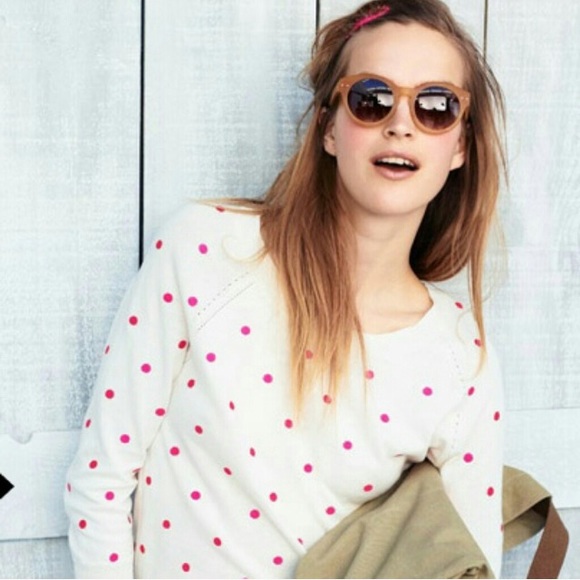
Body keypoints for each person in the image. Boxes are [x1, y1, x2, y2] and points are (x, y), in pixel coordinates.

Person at [64, 0, 507, 577]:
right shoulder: (208, 252)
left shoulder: (459, 357)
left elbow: (471, 563)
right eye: (371, 98)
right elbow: (100, 479)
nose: (401, 124)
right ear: (328, 128)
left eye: (436, 106)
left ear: (461, 146)